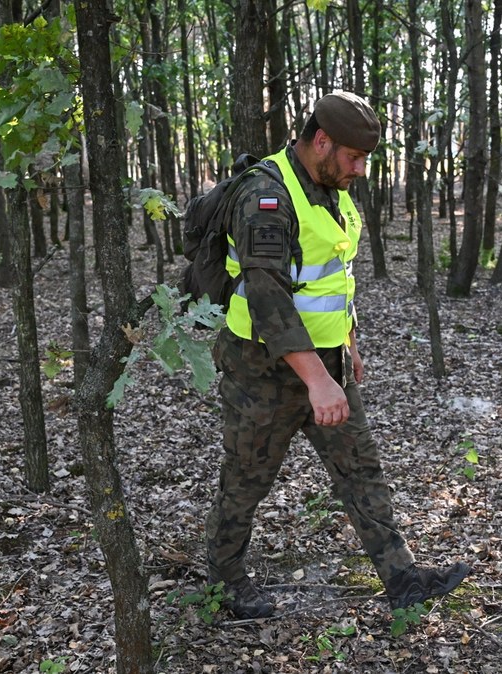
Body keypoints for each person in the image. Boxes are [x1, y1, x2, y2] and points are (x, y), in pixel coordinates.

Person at [205, 91, 471, 620]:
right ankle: (225, 583)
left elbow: (330, 277)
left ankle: (402, 579)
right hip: (261, 370)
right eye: (353, 156)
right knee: (246, 479)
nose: (360, 169)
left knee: (360, 468)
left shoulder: (331, 189)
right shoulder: (266, 193)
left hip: (327, 363)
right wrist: (316, 382)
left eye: (365, 158)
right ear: (320, 141)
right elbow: (266, 295)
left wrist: (347, 347)